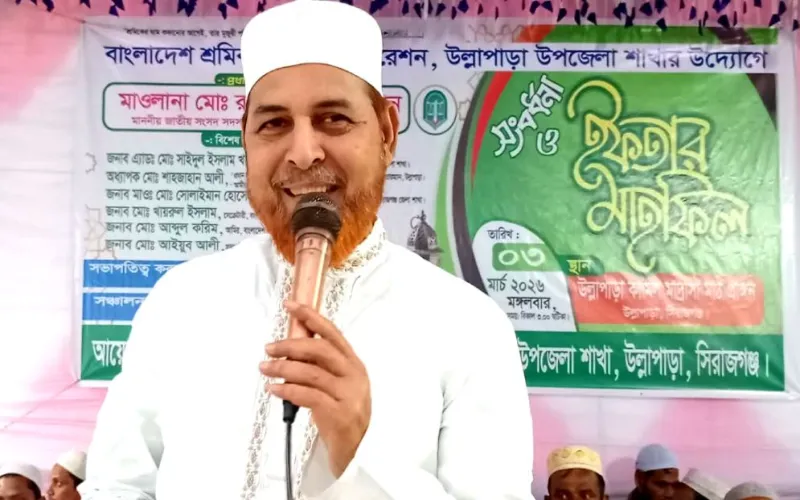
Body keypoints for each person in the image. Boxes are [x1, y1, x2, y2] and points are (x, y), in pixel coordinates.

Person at [78, 1, 534, 499]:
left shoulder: (468, 325)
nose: (303, 153)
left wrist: (361, 453)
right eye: (274, 124)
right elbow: (116, 487)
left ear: (386, 132)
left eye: (333, 119)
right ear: (245, 140)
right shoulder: (182, 300)